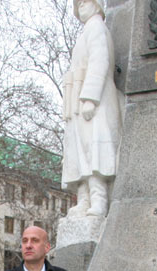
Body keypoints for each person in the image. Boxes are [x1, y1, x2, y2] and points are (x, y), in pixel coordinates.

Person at [61, 0, 121, 218]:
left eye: (85, 2)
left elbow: (99, 61)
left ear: (97, 5)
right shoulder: (86, 30)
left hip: (92, 99)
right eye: (78, 5)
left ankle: (99, 199)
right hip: (78, 100)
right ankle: (84, 198)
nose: (80, 8)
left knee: (95, 152)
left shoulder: (96, 26)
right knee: (81, 152)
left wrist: (90, 98)